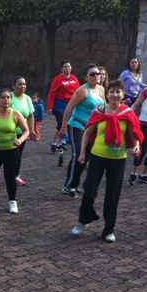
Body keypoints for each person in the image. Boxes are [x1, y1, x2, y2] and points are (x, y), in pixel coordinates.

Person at [70, 80, 143, 243]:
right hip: (97, 156)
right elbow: (87, 132)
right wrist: (83, 152)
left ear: (123, 94)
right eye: (112, 91)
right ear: (107, 94)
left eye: (118, 92)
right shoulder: (99, 111)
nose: (115, 95)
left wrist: (136, 146)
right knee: (89, 191)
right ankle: (84, 219)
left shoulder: (127, 113)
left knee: (112, 195)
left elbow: (133, 134)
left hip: (118, 159)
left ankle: (108, 229)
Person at [58, 64, 105, 197]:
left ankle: (72, 184)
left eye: (97, 73)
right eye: (92, 74)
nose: (96, 76)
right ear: (86, 77)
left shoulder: (101, 89)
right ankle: (69, 186)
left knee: (86, 157)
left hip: (92, 128)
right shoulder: (82, 91)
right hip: (77, 126)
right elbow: (69, 108)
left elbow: (104, 108)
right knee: (79, 155)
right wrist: (63, 127)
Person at [0, 88, 30, 213]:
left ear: (11, 100)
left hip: (11, 151)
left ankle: (12, 202)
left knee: (9, 177)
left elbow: (26, 131)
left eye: (8, 97)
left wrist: (20, 140)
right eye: (3, 97)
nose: (6, 99)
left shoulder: (15, 114)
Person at [47, 62, 80, 153]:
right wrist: (50, 106)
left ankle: (59, 143)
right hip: (59, 105)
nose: (67, 68)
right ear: (62, 69)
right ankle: (54, 143)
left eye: (69, 66)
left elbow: (78, 92)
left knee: (66, 125)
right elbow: (52, 93)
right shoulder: (58, 79)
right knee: (61, 124)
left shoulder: (74, 79)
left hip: (70, 105)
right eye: (65, 67)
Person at [11, 76, 37, 185]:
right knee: (5, 155)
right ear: (14, 86)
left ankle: (15, 176)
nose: (22, 86)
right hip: (9, 132)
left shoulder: (27, 98)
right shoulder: (9, 97)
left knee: (18, 155)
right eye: (20, 84)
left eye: (24, 84)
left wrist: (32, 130)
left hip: (22, 134)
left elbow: (30, 116)